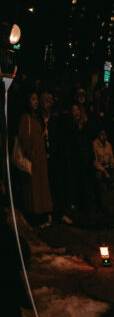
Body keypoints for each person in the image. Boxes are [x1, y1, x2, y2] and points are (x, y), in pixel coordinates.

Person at [15, 92, 53, 227]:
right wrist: (32, 154)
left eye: (37, 99)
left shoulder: (37, 118)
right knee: (33, 192)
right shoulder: (26, 118)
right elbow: (23, 138)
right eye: (33, 99)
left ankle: (42, 216)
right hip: (34, 161)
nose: (36, 102)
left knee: (40, 191)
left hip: (40, 161)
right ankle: (35, 218)